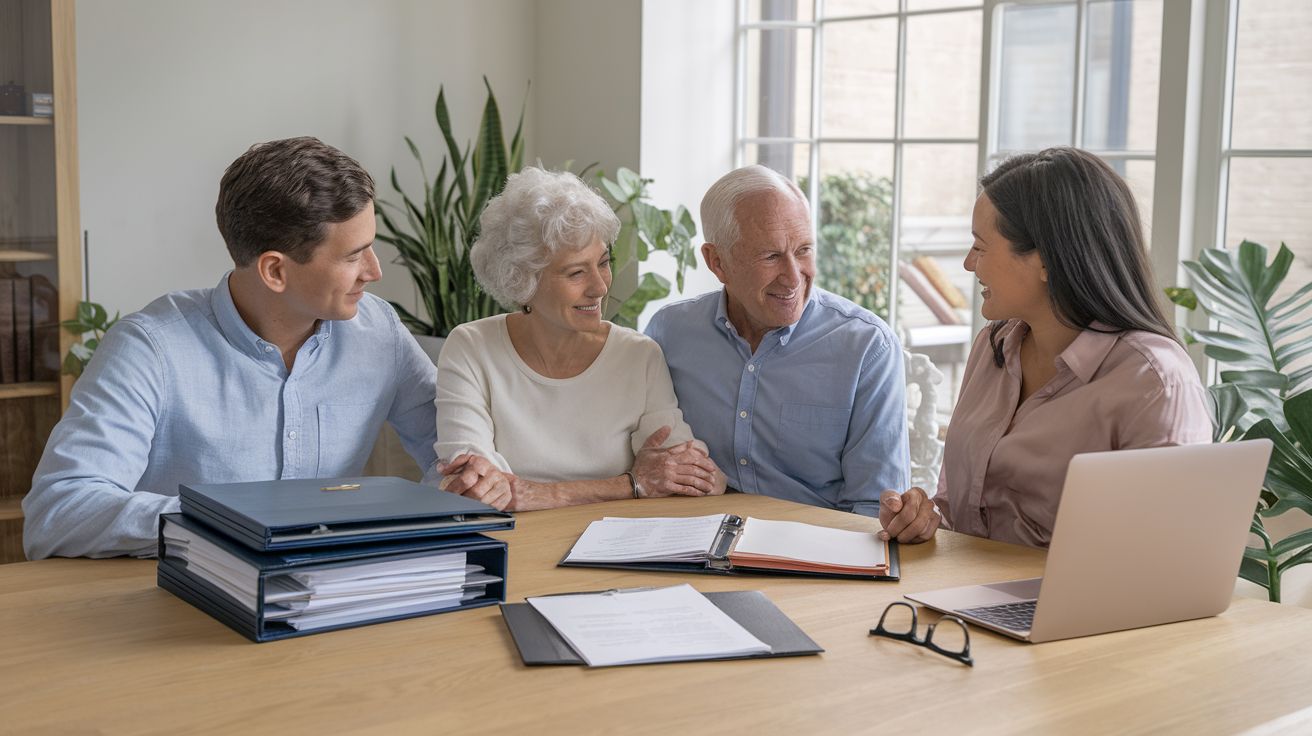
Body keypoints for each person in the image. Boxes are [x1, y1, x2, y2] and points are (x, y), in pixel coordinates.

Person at [23, 137, 439, 559]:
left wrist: (470, 478)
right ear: (275, 270)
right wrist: (240, 522)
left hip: (333, 593)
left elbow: (452, 452)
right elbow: (59, 511)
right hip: (183, 601)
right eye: (354, 255)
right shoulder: (151, 348)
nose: (375, 271)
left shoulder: (378, 331)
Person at [878, 147, 1212, 548]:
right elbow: (960, 512)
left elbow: (1165, 558)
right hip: (958, 594)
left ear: (1047, 261)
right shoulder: (993, 345)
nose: (969, 264)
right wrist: (923, 516)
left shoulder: (1155, 381)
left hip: (1077, 608)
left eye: (981, 247)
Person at [435, 167, 724, 511]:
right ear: (522, 279)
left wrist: (538, 494)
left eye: (603, 263)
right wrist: (632, 484)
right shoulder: (471, 348)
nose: (600, 286)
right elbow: (478, 489)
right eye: (576, 272)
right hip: (513, 544)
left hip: (615, 547)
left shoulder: (638, 356)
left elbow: (695, 480)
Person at [646, 165, 910, 517]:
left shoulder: (867, 348)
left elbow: (874, 510)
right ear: (717, 262)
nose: (793, 277)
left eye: (803, 250)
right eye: (770, 256)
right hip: (694, 544)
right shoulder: (669, 333)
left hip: (815, 554)